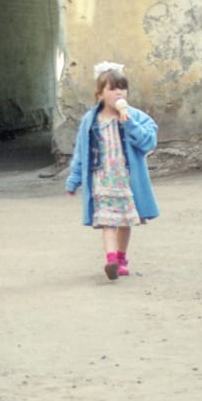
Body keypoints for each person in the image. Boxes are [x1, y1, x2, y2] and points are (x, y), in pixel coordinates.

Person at [65, 61, 159, 280]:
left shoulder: (135, 116)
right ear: (99, 94)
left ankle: (121, 257)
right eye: (112, 88)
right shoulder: (91, 121)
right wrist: (74, 179)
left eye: (122, 88)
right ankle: (111, 261)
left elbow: (148, 142)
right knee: (107, 220)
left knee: (125, 220)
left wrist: (130, 123)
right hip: (102, 178)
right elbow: (81, 151)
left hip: (126, 179)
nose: (118, 92)